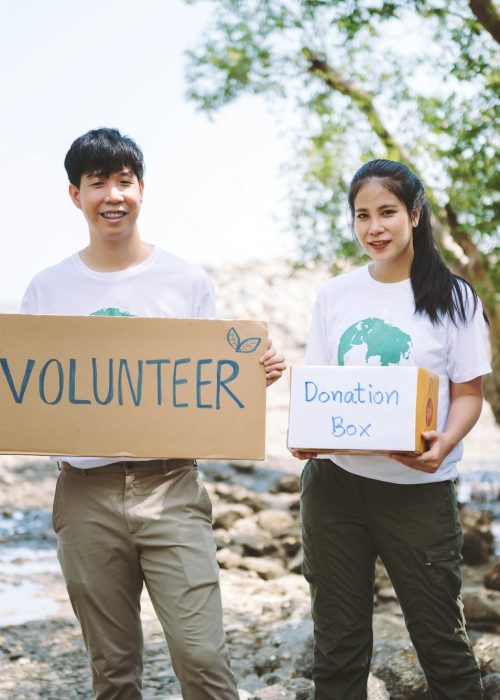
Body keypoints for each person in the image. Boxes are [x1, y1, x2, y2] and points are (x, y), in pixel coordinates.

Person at [21, 127, 286, 700]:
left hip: (171, 486)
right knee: (112, 671)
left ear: (142, 189)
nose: (113, 195)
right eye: (98, 183)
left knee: (203, 658)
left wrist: (250, 374)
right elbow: (33, 394)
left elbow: (208, 385)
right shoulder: (48, 289)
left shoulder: (185, 280)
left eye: (125, 181)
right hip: (84, 493)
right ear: (75, 195)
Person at [292, 159, 491, 699]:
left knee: (442, 645)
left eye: (387, 212)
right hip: (333, 488)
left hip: (417, 492)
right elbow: (321, 389)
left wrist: (444, 444)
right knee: (337, 647)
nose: (374, 227)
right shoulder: (334, 295)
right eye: (362, 215)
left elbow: (469, 395)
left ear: (416, 216)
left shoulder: (455, 299)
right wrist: (308, 436)